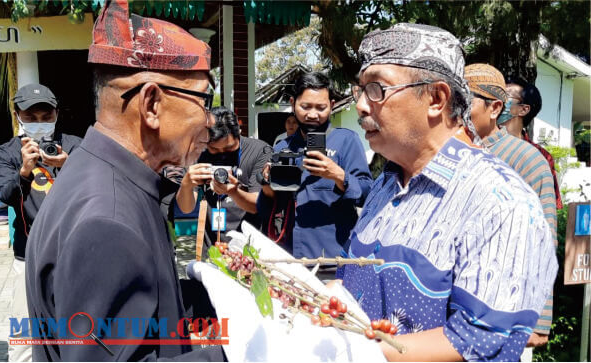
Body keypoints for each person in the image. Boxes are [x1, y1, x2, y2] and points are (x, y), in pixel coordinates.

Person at [338, 23, 557, 361]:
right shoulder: (384, 185)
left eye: (377, 89)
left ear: (436, 99)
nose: (362, 106)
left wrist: (353, 351)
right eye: (360, 90)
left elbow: (484, 338)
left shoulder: (498, 200)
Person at [25, 1, 224, 361]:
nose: (209, 121)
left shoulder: (95, 172)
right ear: (151, 104)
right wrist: (240, 353)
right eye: (204, 101)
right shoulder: (108, 221)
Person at [465, 64, 557, 350]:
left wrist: (540, 320)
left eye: (464, 99)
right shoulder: (446, 152)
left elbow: (544, 239)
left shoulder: (528, 160)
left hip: (502, 311)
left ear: (495, 108)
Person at [0, 83, 81, 362]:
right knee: (25, 339)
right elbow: (5, 195)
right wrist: (24, 171)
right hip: (28, 256)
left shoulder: (76, 146)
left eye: (46, 116)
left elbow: (99, 186)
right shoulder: (4, 153)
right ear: (17, 114)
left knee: (79, 329)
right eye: (30, 117)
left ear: (56, 113)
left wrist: (71, 165)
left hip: (74, 253)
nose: (40, 124)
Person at [257, 72, 372, 260]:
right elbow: (268, 208)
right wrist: (266, 183)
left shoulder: (346, 141)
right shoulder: (282, 147)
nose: (312, 114)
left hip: (332, 258)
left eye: (321, 107)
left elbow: (368, 193)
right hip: (289, 256)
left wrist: (338, 175)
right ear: (293, 104)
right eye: (305, 106)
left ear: (332, 106)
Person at [175, 106, 272, 254]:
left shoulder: (259, 151)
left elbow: (257, 205)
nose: (221, 154)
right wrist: (187, 184)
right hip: (213, 245)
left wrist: (234, 192)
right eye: (214, 149)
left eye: (229, 148)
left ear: (239, 131)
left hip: (251, 246)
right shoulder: (198, 152)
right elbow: (186, 208)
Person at [500, 78, 563, 209]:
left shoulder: (542, 157)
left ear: (523, 110)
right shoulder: (476, 142)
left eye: (504, 96)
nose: (497, 100)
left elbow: (549, 207)